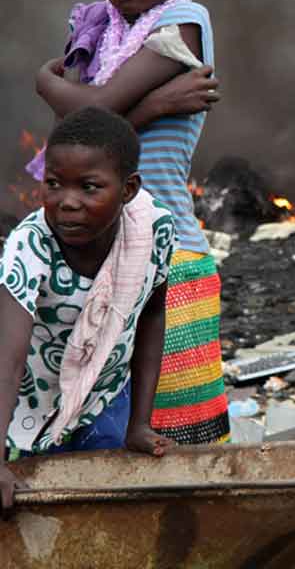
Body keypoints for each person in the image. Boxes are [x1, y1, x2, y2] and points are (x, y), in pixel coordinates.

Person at [30, 0, 230, 444]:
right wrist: (154, 106)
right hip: (89, 247)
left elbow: (87, 116)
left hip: (166, 244)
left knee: (179, 425)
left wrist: (47, 84)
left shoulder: (182, 22)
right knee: (95, 421)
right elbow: (77, 142)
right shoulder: (98, 30)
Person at [0, 107, 176, 514]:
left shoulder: (153, 230)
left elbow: (151, 315)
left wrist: (139, 424)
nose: (67, 203)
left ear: (128, 189)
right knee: (31, 518)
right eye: (54, 184)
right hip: (27, 410)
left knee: (103, 515)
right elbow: (6, 363)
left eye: (89, 187)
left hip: (106, 398)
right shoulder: (30, 247)